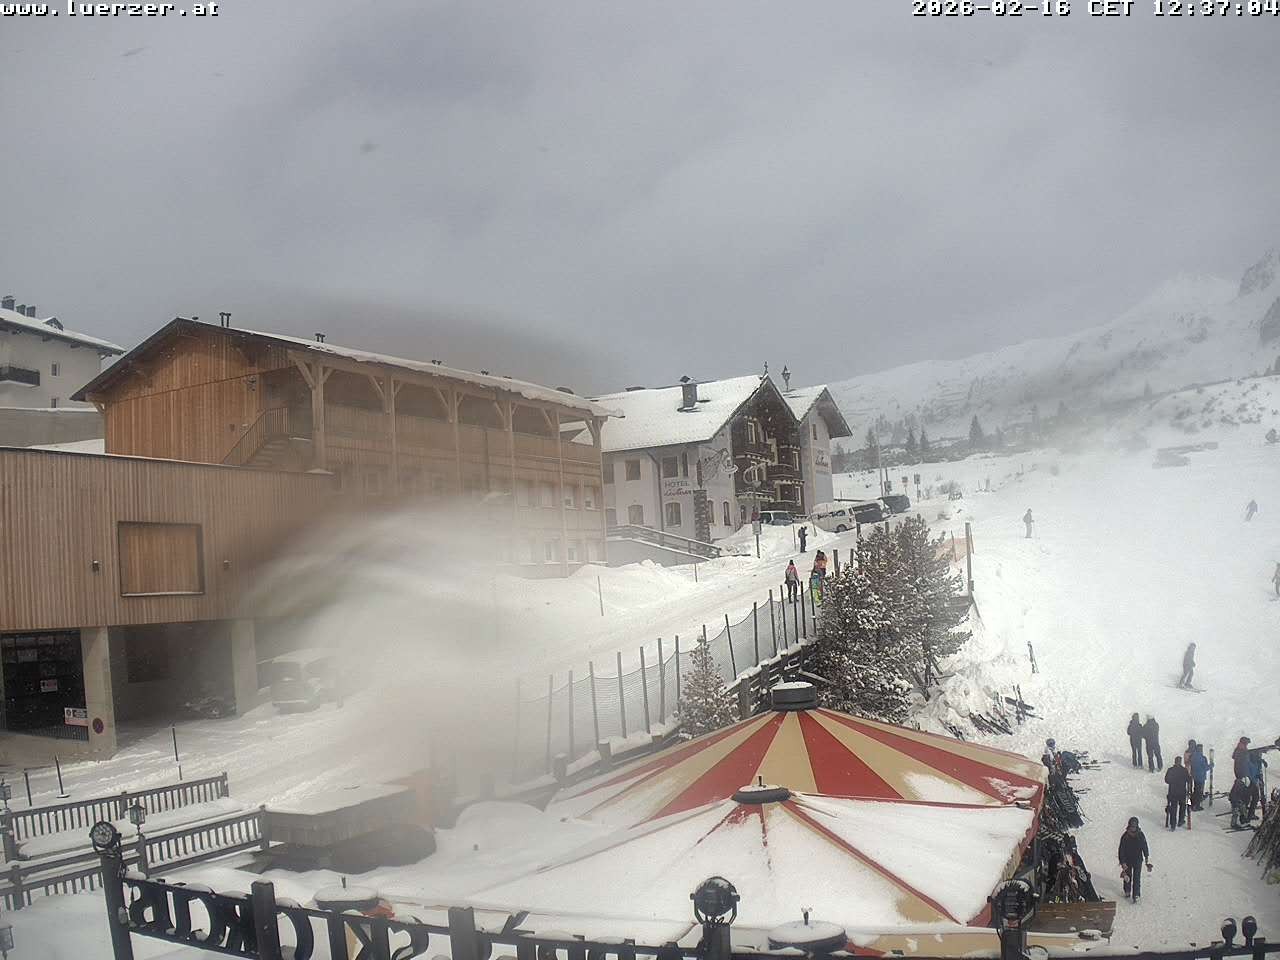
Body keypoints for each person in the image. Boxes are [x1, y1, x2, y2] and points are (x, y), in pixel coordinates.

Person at [1117, 817, 1151, 902]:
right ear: (1129, 826)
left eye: (1134, 827)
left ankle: (1136, 894)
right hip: (1127, 861)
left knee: (1137, 877)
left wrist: (1146, 856)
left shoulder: (1140, 835)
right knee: (1127, 877)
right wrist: (1122, 862)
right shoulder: (1125, 836)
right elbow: (1121, 850)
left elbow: (1144, 846)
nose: (1133, 828)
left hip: (1137, 860)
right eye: (1131, 827)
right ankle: (1127, 890)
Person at [1164, 756, 1191, 829]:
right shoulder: (1184, 770)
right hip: (1182, 792)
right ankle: (1180, 820)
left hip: (1172, 792)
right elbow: (1189, 780)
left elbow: (1166, 780)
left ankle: (1173, 824)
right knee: (1182, 807)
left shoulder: (1170, 770)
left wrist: (1172, 781)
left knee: (1173, 808)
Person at [1190, 743, 1210, 811]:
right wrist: (1211, 765)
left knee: (1196, 790)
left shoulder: (1193, 756)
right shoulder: (1202, 758)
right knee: (1199, 792)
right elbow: (1205, 768)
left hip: (1195, 776)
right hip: (1201, 777)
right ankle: (1197, 806)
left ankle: (1192, 804)